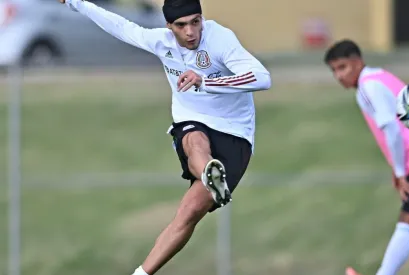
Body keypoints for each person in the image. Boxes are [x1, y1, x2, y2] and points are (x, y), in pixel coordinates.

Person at [58, 0, 272, 274]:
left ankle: (210, 177)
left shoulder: (220, 39)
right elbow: (120, 26)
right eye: (182, 25)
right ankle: (209, 172)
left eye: (196, 21)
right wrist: (77, 3)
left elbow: (262, 77)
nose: (191, 32)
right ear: (169, 27)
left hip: (235, 131)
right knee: (194, 139)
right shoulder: (160, 41)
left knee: (188, 214)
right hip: (191, 119)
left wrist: (206, 82)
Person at [324, 40, 409, 275]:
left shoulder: (367, 87)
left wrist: (401, 172)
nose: (339, 76)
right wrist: (398, 167)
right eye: (334, 70)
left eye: (343, 67)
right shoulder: (381, 76)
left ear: (357, 63)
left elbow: (391, 127)